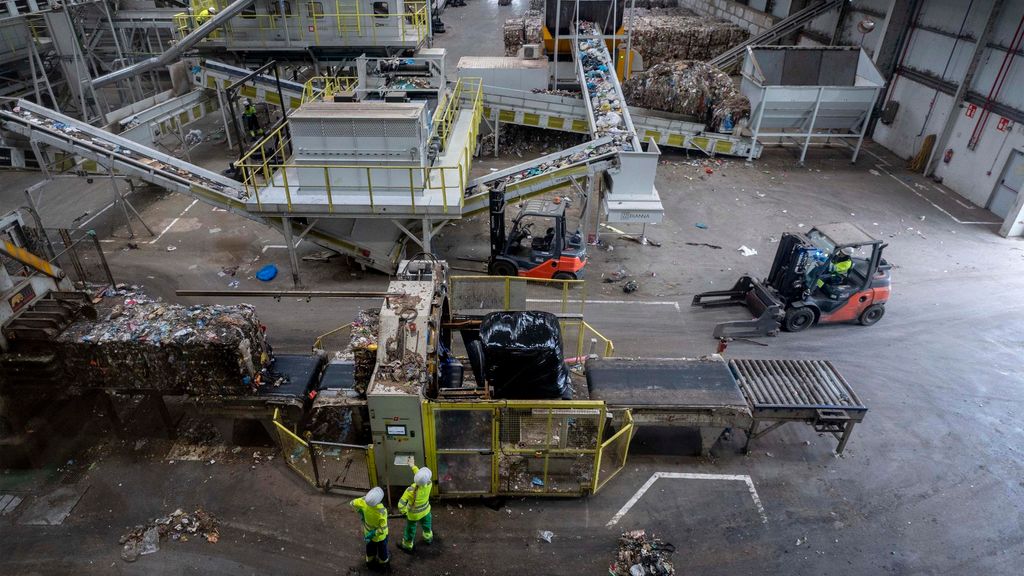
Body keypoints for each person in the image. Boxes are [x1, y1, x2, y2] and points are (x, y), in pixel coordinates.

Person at [397, 462, 433, 552]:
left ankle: (407, 545)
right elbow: (421, 479)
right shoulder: (429, 484)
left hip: (413, 515)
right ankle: (428, 538)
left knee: (410, 529)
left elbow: (400, 504)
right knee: (427, 525)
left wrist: (405, 511)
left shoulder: (410, 490)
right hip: (426, 512)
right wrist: (413, 466)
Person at [350, 487, 390, 567]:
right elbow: (382, 528)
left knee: (370, 547)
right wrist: (374, 533)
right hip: (380, 537)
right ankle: (383, 561)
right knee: (382, 549)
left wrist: (360, 511)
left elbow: (352, 503)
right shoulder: (382, 511)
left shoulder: (363, 502)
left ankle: (370, 559)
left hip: (367, 533)